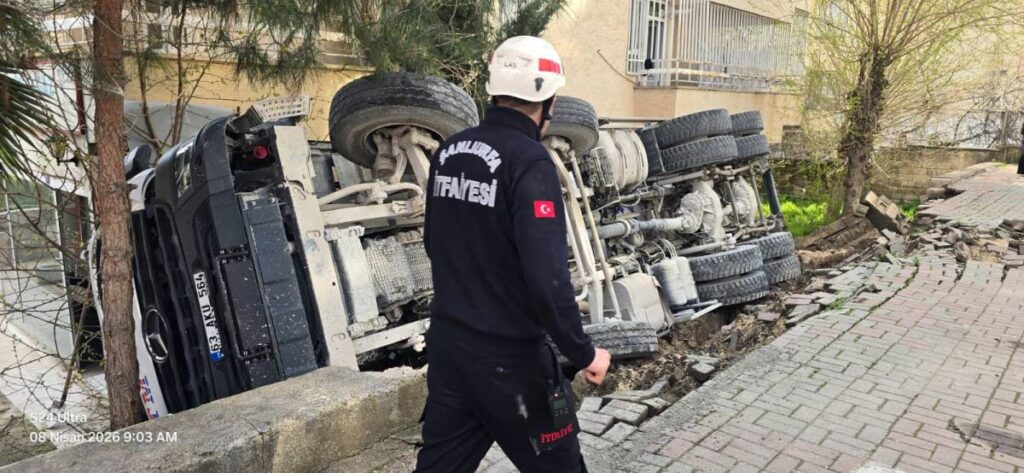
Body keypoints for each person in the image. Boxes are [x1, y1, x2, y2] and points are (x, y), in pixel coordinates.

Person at [413, 36, 611, 473]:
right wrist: (584, 352)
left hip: (450, 349)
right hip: (512, 363)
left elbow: (434, 242)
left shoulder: (449, 151)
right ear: (549, 100)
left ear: (494, 90)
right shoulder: (530, 163)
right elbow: (548, 280)